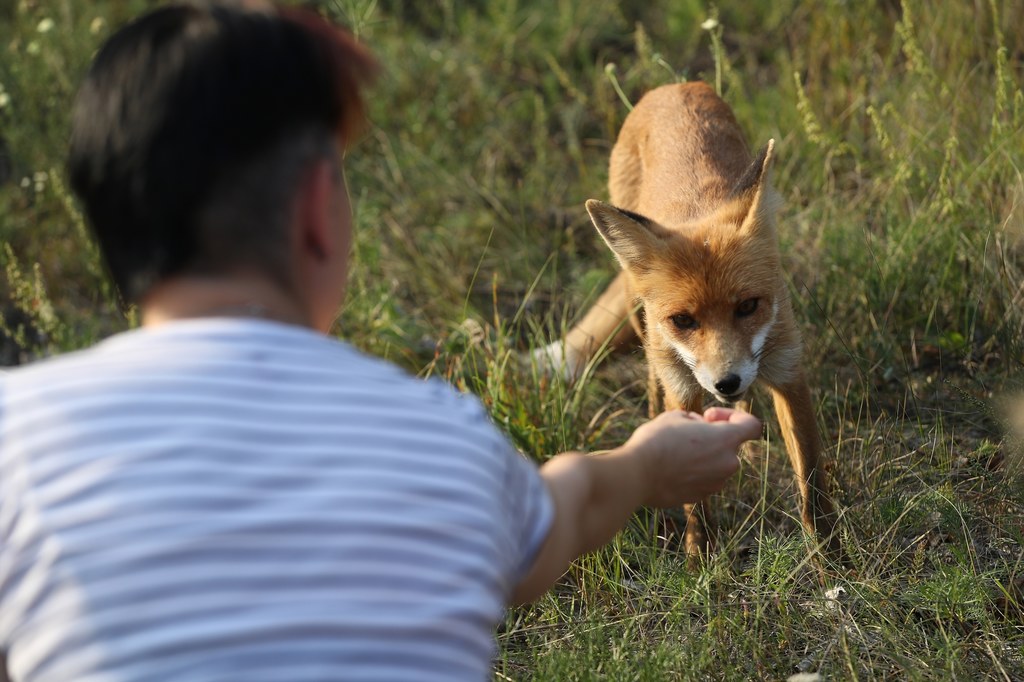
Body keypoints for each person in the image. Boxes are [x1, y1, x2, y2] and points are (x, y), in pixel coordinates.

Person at [0, 3, 761, 680]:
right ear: (316, 215)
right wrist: (645, 462)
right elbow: (568, 509)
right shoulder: (442, 441)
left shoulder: (15, 440)